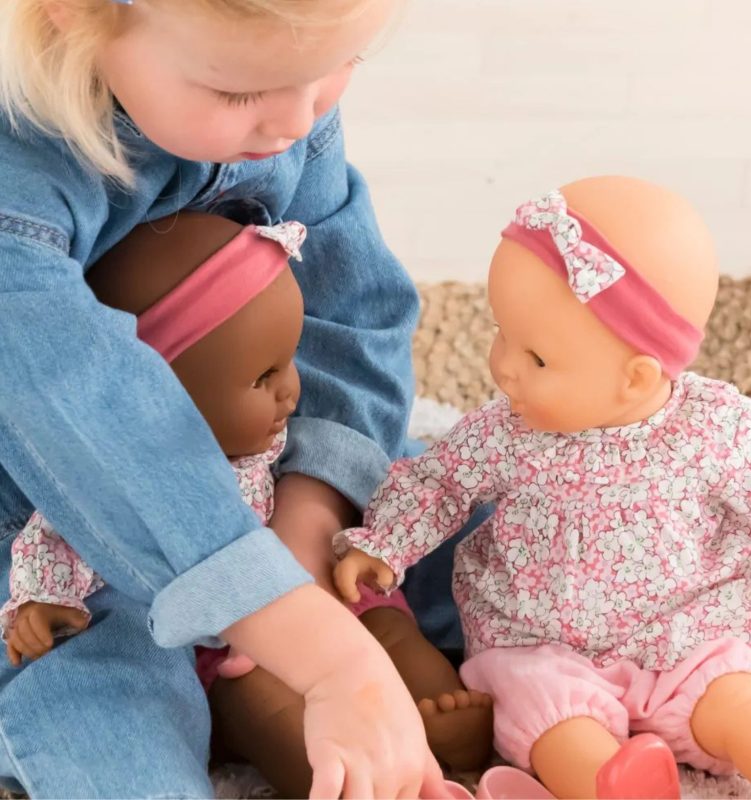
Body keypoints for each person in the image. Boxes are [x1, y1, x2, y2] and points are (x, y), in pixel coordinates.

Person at [0, 0, 447, 796]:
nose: (295, 121)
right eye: (239, 93)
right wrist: (321, 653)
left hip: (263, 456)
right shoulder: (17, 185)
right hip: (52, 515)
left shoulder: (289, 107)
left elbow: (353, 320)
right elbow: (83, 413)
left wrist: (309, 519)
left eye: (336, 69)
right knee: (100, 692)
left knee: (480, 505)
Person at [335, 176, 751, 799]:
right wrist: (384, 542)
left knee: (734, 688)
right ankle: (612, 782)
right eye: (503, 334)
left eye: (537, 359)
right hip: (543, 642)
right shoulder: (505, 434)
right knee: (542, 713)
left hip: (691, 628)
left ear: (635, 379)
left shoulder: (716, 427)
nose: (502, 366)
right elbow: (438, 482)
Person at [1, 211, 493, 796]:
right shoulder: (126, 473)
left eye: (288, 361)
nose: (292, 389)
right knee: (264, 704)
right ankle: (340, 780)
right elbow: (57, 532)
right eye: (264, 376)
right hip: (235, 647)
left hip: (328, 588)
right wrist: (42, 600)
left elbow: (356, 467)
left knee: (391, 630)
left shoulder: (277, 438)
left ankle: (445, 723)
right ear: (167, 397)